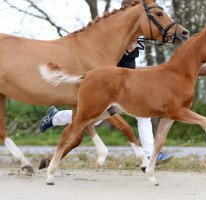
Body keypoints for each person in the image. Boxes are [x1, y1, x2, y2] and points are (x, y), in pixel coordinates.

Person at [39, 0, 172, 164]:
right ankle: (55, 118)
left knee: (138, 116)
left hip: (124, 85)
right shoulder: (116, 34)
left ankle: (150, 155)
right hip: (110, 86)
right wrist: (126, 50)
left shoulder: (135, 34)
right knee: (96, 117)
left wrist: (132, 49)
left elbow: (129, 68)